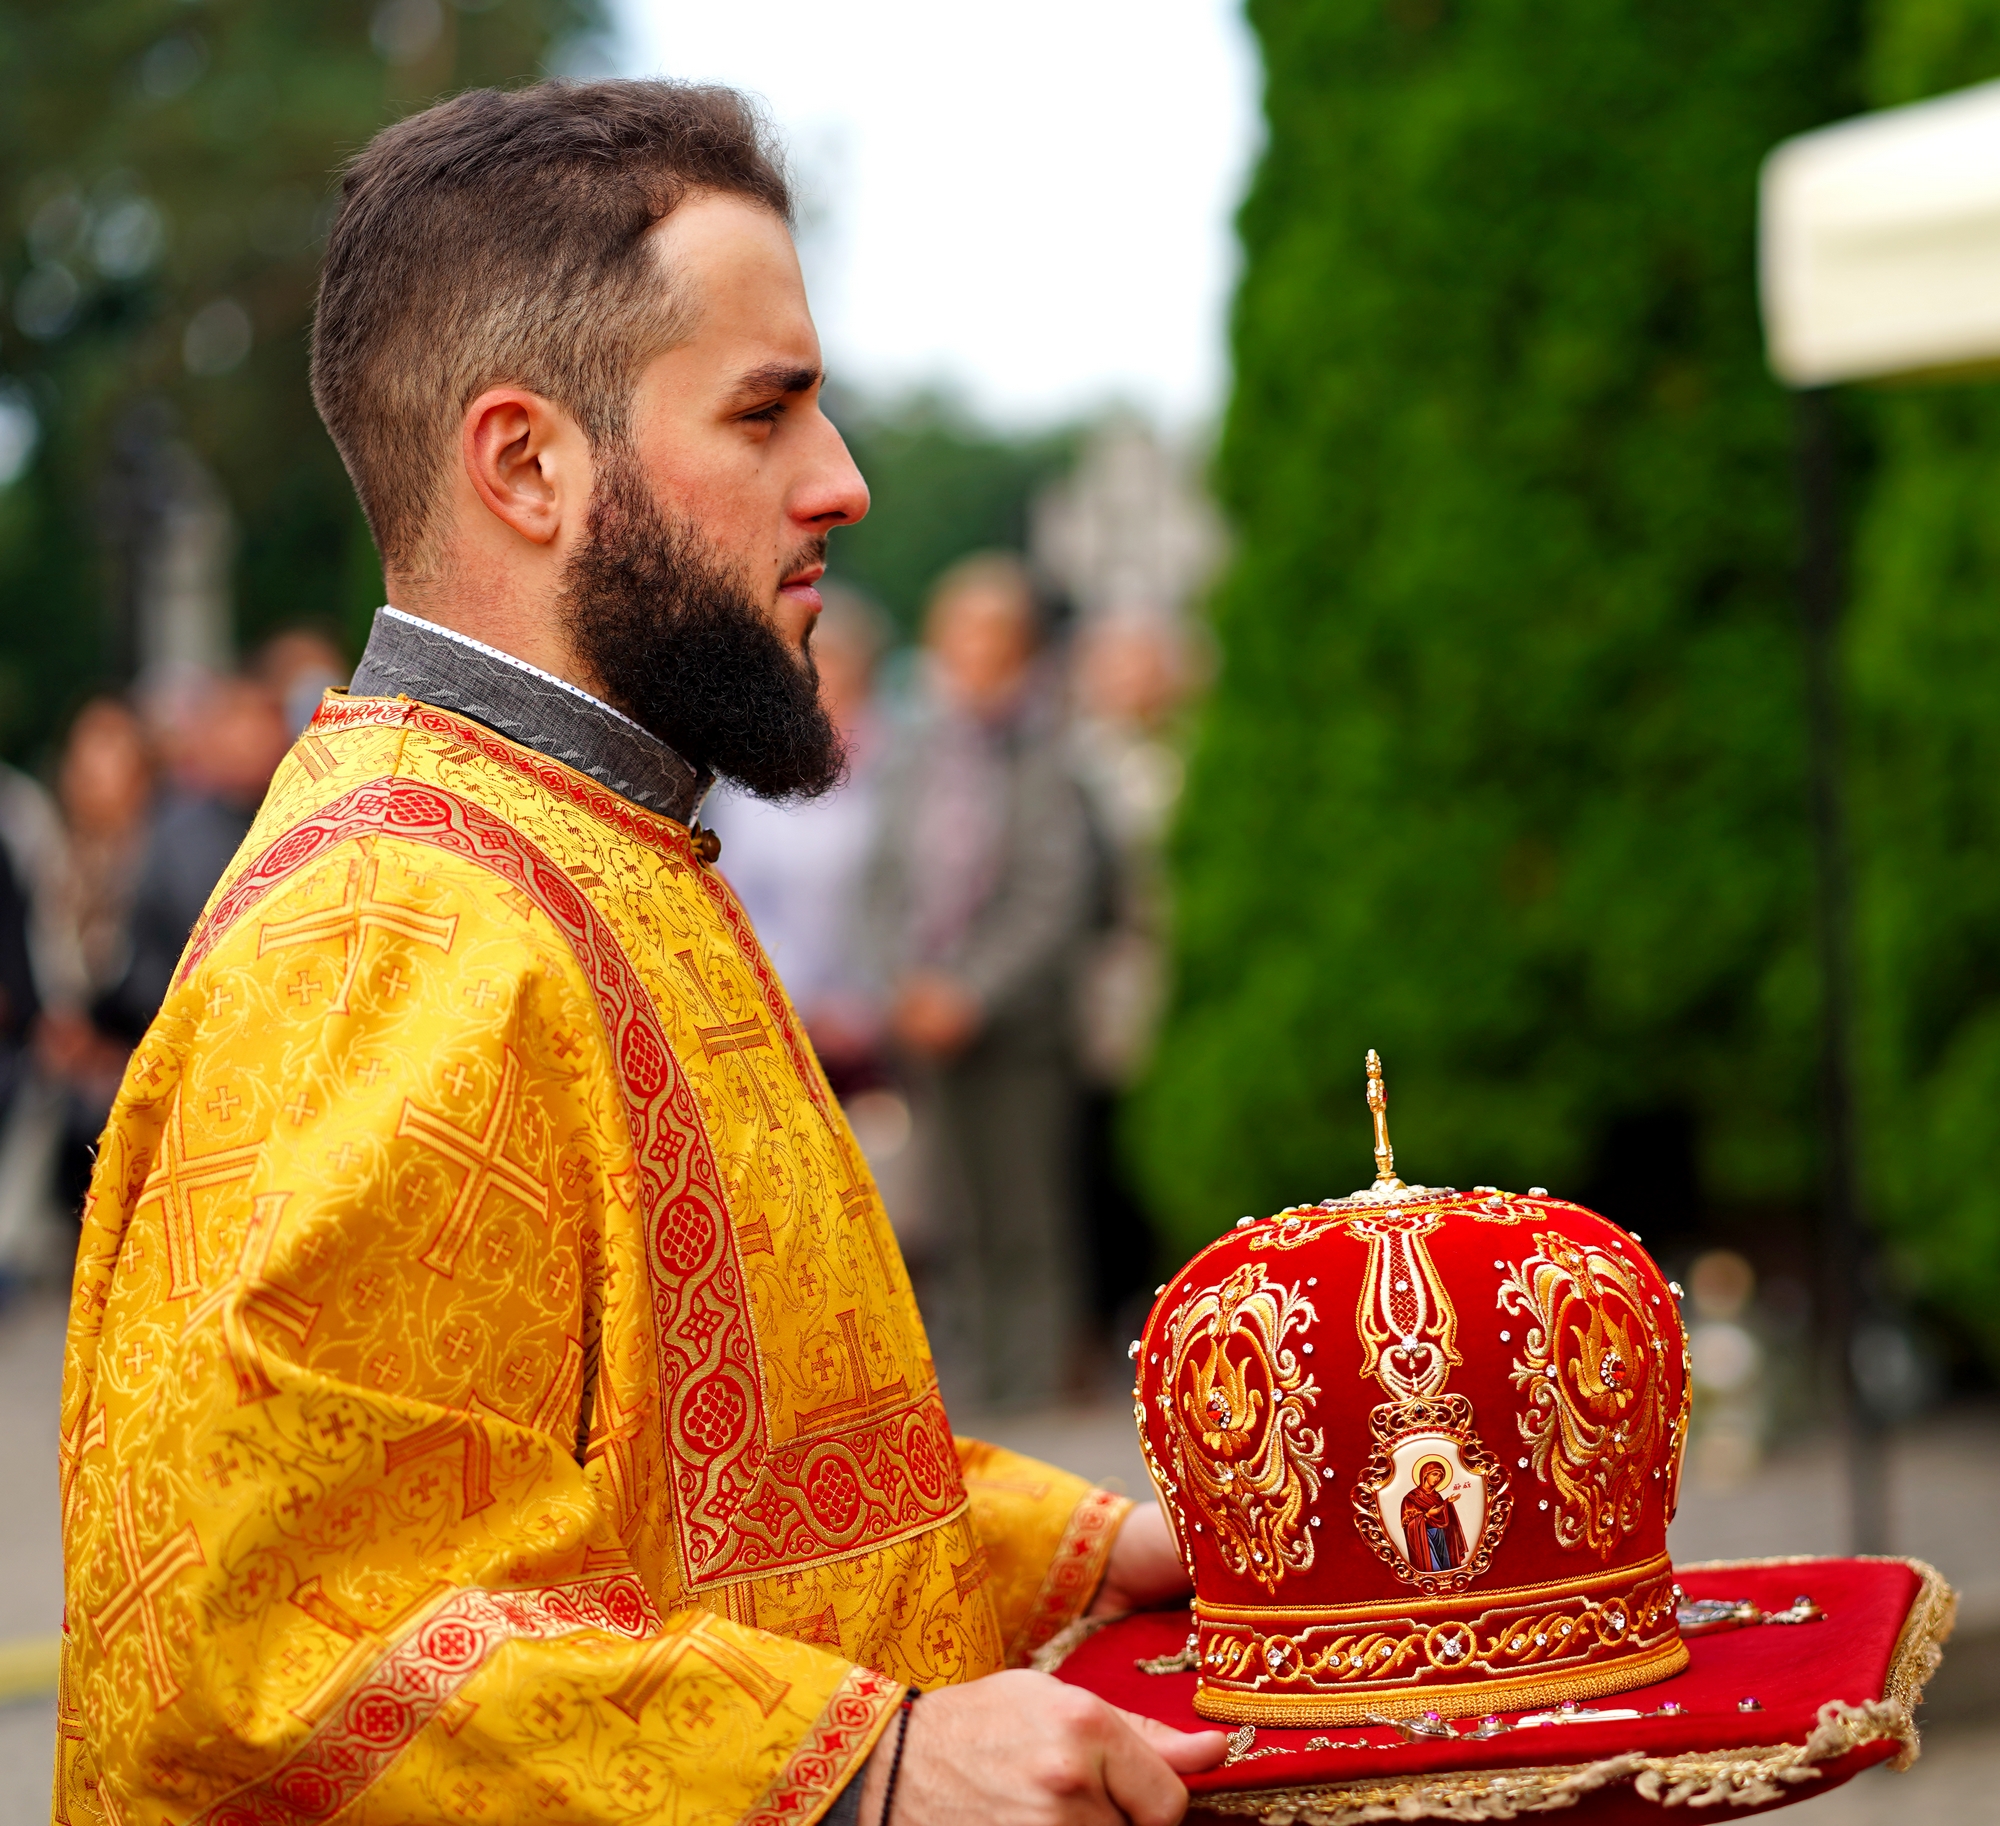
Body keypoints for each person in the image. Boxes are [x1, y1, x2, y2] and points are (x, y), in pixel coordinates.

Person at [59, 81, 1217, 1826]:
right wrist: (879, 1763)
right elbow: (271, 1656)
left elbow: (714, 1473)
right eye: (768, 413)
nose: (844, 482)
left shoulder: (587, 841)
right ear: (527, 462)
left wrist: (1102, 1550)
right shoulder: (390, 930)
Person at [866, 554, 1098, 1412]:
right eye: (956, 630)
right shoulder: (914, 750)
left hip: (1015, 1030)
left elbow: (1054, 895)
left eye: (989, 633)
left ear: (1023, 648)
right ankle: (970, 1403)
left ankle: (1033, 1397)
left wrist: (970, 992)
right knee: (950, 1215)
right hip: (922, 1020)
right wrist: (906, 983)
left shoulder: (1049, 756)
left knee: (1025, 1216)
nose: (969, 649)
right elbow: (881, 878)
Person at [706, 581, 893, 1096]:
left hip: (884, 1028)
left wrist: (864, 1004)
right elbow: (737, 895)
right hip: (781, 1013)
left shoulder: (903, 769)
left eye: (838, 669)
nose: (822, 685)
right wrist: (801, 999)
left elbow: (907, 896)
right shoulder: (754, 777)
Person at [1401, 1458, 1467, 1572]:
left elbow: (1441, 1515)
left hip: (1440, 1535)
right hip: (1423, 1536)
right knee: (1432, 1565)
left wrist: (1447, 1503)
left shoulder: (1437, 1496)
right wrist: (1426, 1516)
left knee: (1445, 1565)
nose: (1437, 1478)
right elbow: (1407, 1524)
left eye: (1440, 1476)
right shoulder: (1411, 1498)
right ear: (1425, 1474)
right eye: (1435, 1474)